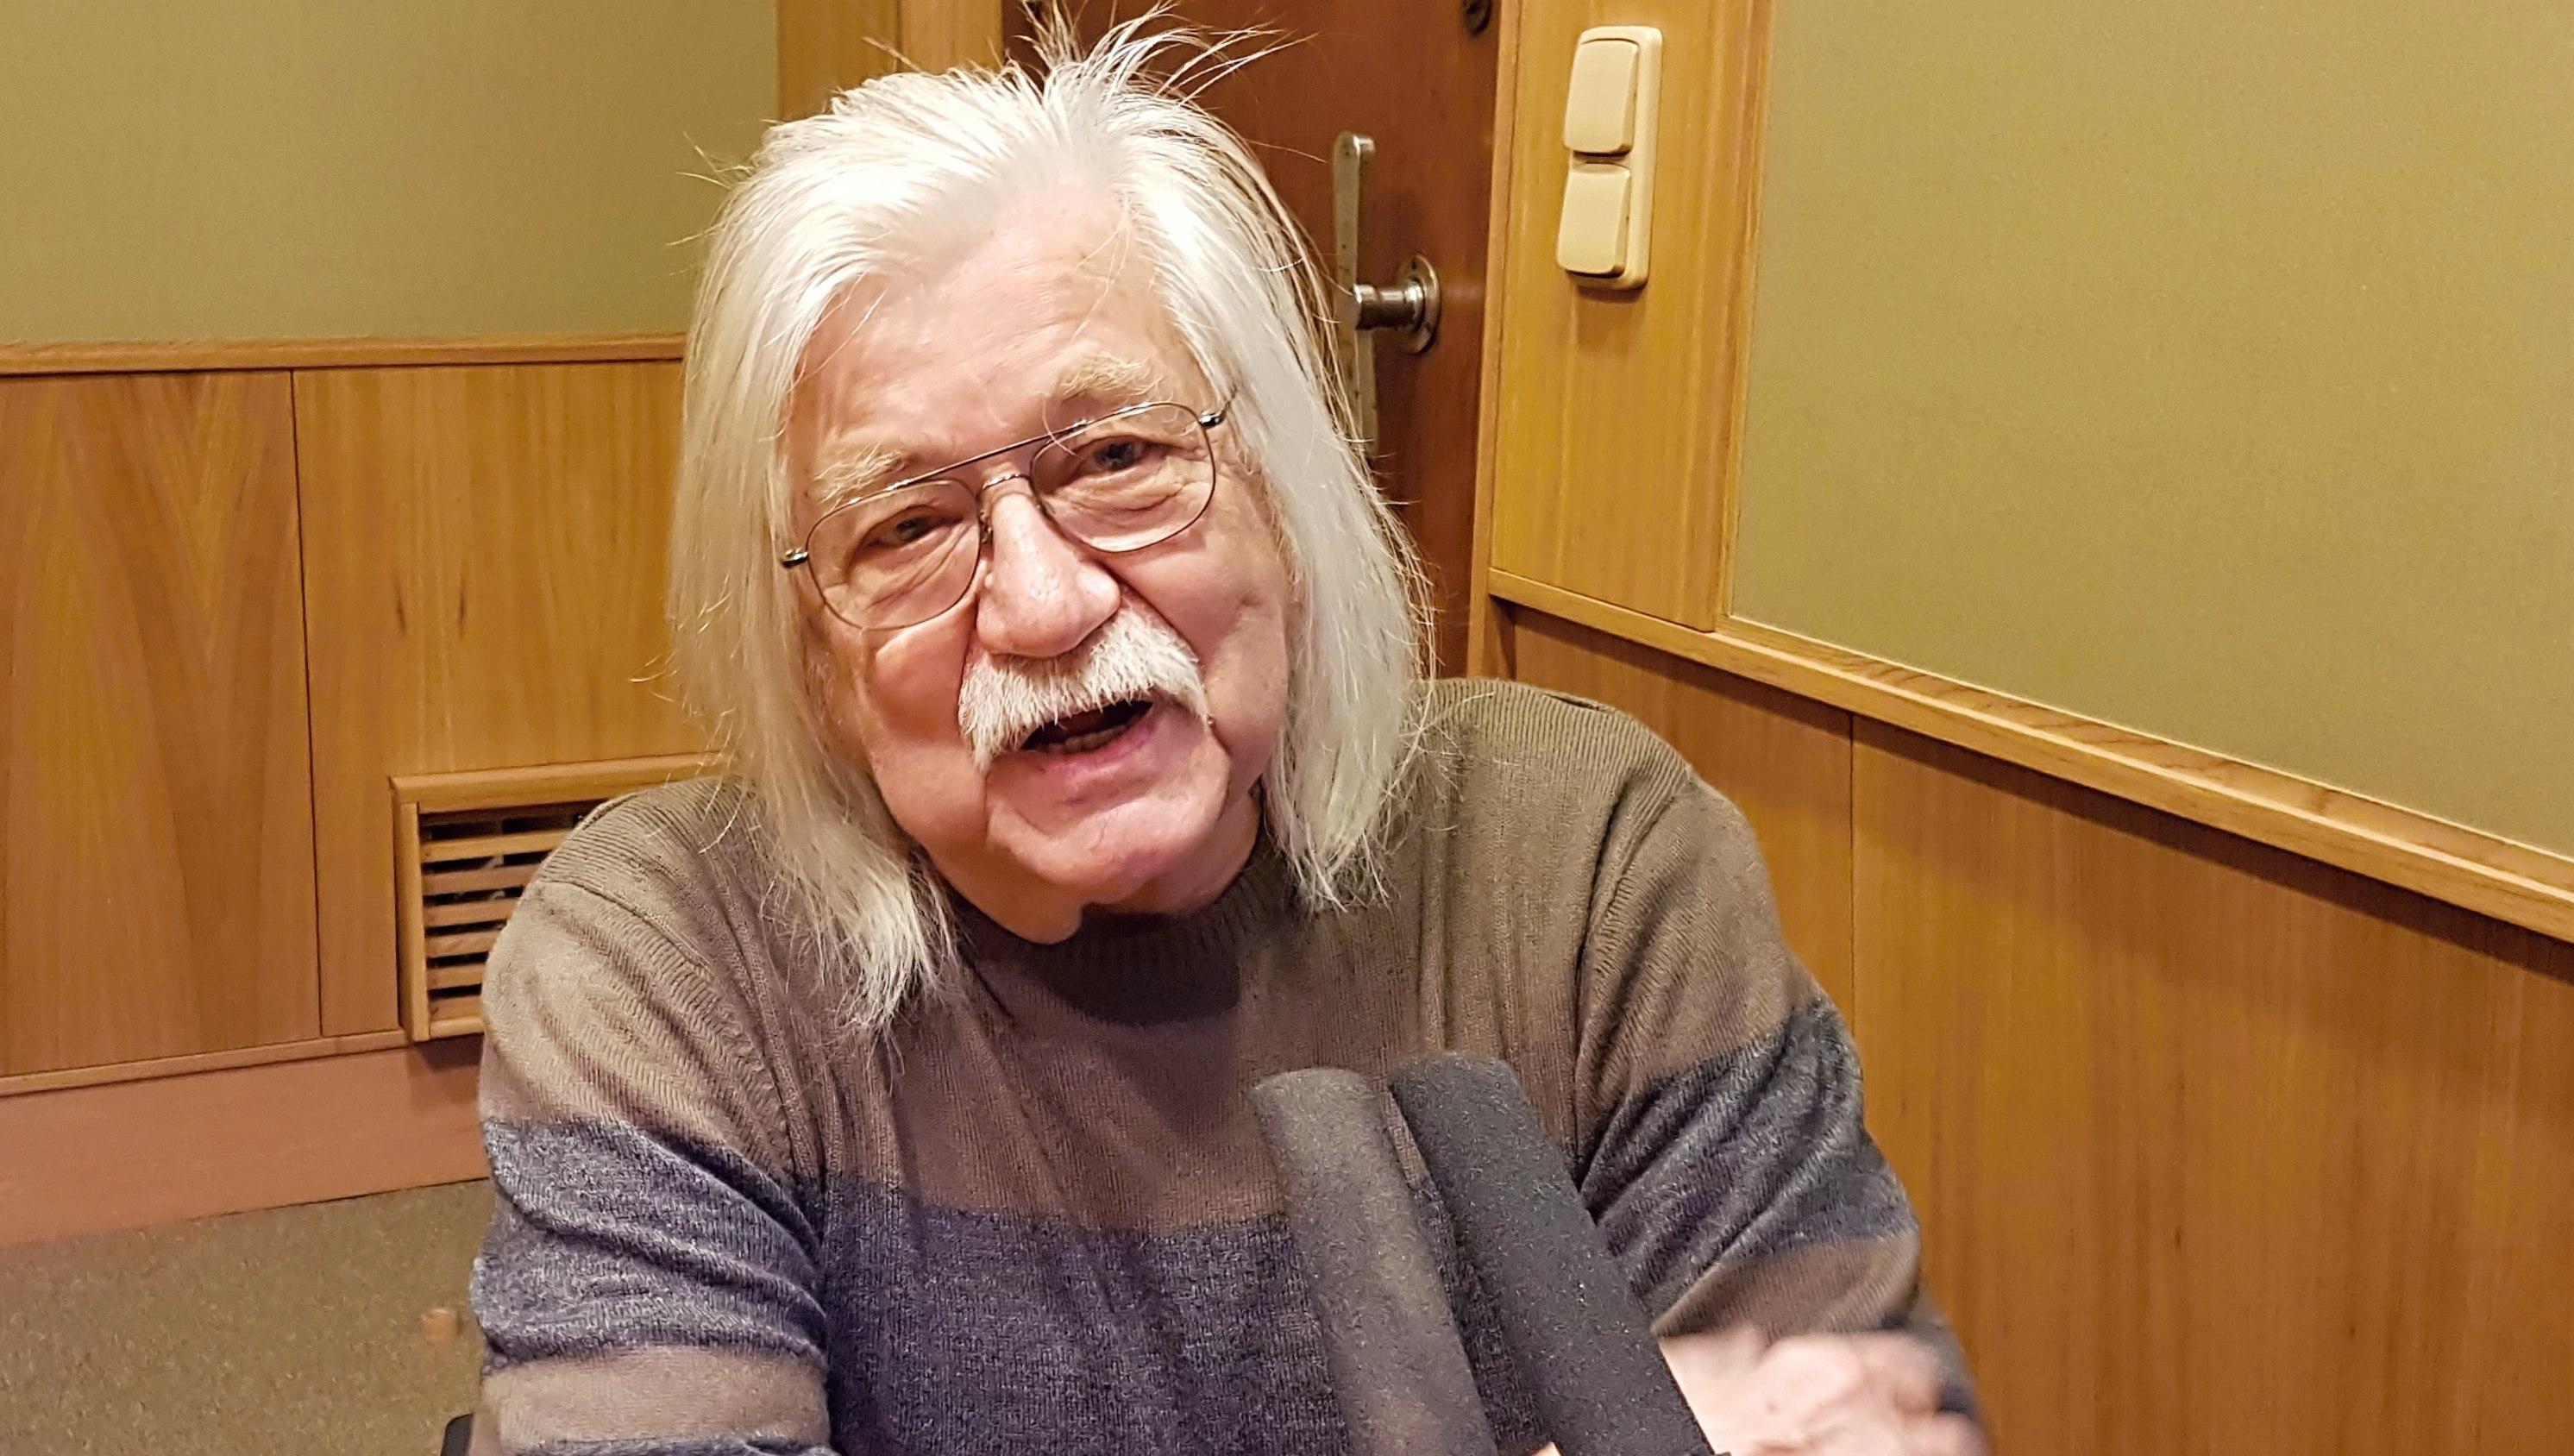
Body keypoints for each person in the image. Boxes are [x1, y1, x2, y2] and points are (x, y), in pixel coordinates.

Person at [467, 21, 1982, 1456]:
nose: (1044, 606)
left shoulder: (1584, 862)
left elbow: (1849, 1410)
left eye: (1118, 455)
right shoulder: (668, 961)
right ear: (813, 659)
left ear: (1287, 502)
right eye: (908, 527)